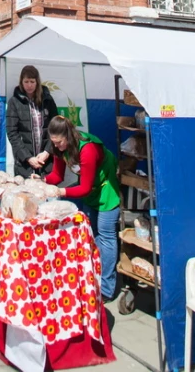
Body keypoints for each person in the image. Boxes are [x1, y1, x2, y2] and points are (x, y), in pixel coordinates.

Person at [43, 115, 121, 302]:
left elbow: (83, 187)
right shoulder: (58, 147)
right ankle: (92, 277)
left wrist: (60, 191)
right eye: (54, 143)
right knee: (91, 233)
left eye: (60, 142)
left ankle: (107, 288)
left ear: (68, 136)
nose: (58, 146)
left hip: (106, 189)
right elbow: (56, 175)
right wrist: (40, 182)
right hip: (90, 191)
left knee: (106, 234)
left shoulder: (88, 149)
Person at [6, 64, 58, 179]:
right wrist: (28, 158)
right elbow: (12, 133)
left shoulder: (48, 100)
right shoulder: (14, 102)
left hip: (46, 162)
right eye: (26, 82)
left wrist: (47, 152)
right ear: (21, 82)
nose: (29, 85)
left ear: (37, 82)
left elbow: (56, 128)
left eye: (32, 82)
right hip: (24, 165)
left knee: (47, 194)